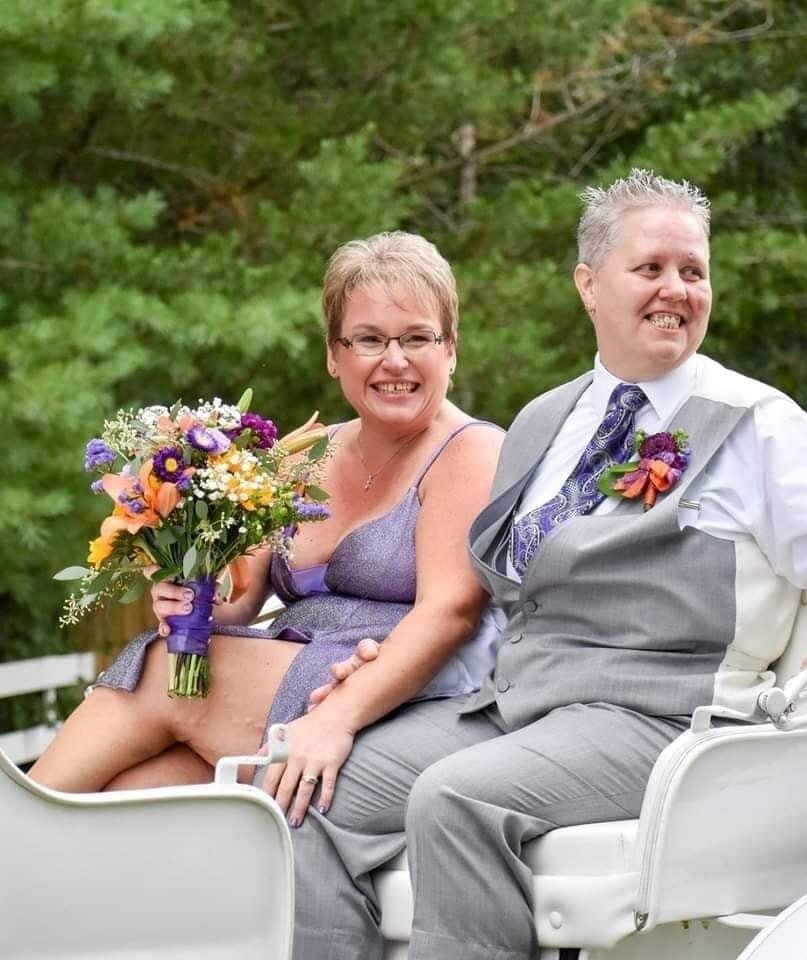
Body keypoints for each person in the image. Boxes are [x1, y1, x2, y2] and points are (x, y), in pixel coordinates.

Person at [282, 170, 807, 960]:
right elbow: (495, 598)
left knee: (456, 799)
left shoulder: (756, 422)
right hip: (517, 708)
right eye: (650, 269)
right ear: (589, 285)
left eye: (693, 271)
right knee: (308, 792)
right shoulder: (543, 421)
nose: (676, 290)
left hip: (662, 720)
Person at [29, 231, 505, 836]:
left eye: (416, 338)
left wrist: (336, 719)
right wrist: (189, 589)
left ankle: (13, 825)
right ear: (334, 354)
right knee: (129, 797)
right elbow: (241, 598)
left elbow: (450, 614)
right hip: (283, 668)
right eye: (368, 339)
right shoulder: (300, 457)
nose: (394, 360)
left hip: (385, 690)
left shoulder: (471, 452)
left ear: (451, 350)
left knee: (159, 669)